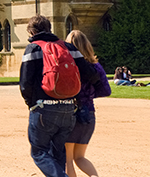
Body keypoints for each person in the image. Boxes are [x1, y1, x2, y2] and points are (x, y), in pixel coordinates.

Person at [19, 15, 102, 177]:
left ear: (31, 31)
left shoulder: (33, 48)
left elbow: (25, 84)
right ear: (49, 29)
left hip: (43, 109)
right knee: (59, 154)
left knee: (39, 151)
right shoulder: (68, 48)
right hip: (68, 109)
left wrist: (31, 104)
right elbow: (92, 74)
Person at [64, 30, 111, 177]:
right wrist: (89, 95)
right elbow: (106, 90)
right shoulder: (95, 66)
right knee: (80, 157)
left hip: (71, 113)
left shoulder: (68, 66)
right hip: (89, 113)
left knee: (68, 160)